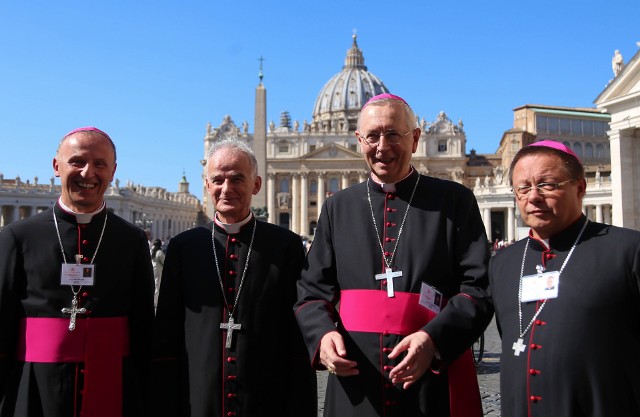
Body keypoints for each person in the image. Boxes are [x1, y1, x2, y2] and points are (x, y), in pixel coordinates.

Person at [295, 93, 493, 417]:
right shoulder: (336, 208)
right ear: (359, 141)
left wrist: (434, 340)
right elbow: (312, 291)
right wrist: (323, 336)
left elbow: (478, 289)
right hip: (356, 380)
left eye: (393, 135)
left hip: (430, 380)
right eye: (372, 136)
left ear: (415, 139)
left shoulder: (455, 201)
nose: (382, 147)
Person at [151, 138, 316, 417]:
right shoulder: (183, 247)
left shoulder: (285, 246)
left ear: (256, 185)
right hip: (198, 395)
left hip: (267, 396)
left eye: (237, 179)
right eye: (218, 180)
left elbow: (296, 339)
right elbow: (167, 332)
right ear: (206, 185)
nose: (226, 189)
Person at [0, 126, 155, 417]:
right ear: (56, 166)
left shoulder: (132, 240)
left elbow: (143, 324)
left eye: (100, 164)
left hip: (114, 382)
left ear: (113, 171)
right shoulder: (18, 236)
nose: (88, 173)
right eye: (77, 162)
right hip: (33, 384)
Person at [489, 140, 640, 416]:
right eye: (522, 188)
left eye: (547, 185)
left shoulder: (629, 250)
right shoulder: (502, 264)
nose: (533, 196)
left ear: (580, 188)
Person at [150, 238, 165, 310]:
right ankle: (155, 302)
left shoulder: (152, 250)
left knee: (153, 285)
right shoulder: (159, 252)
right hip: (158, 270)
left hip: (152, 268)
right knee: (157, 286)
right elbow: (164, 261)